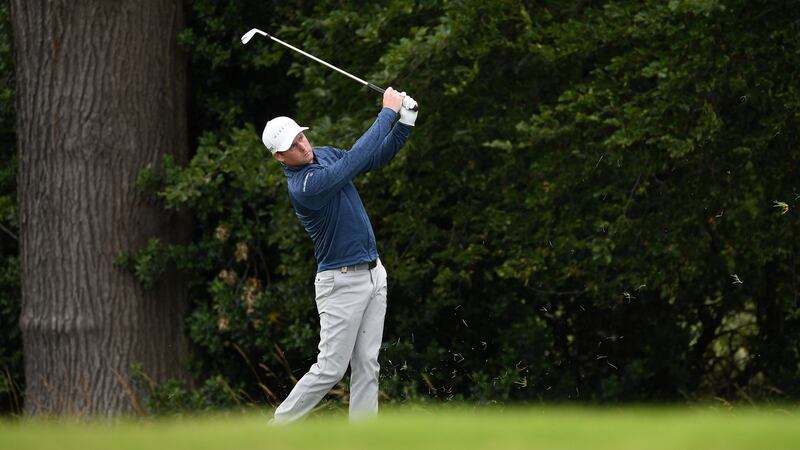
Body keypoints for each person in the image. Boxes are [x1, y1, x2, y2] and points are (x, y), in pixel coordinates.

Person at [262, 87, 418, 423]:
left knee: (367, 364)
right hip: (340, 282)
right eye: (293, 146)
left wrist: (405, 123)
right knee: (331, 369)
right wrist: (388, 113)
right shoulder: (305, 186)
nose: (303, 147)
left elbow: (371, 158)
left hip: (374, 273)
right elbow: (353, 161)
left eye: (301, 137)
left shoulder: (323, 155)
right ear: (280, 157)